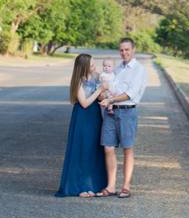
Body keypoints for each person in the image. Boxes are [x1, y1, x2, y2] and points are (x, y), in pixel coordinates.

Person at [98, 37, 148, 198]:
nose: (124, 52)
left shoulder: (139, 70)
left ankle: (126, 186)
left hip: (127, 112)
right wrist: (103, 95)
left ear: (133, 50)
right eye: (121, 50)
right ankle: (111, 186)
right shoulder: (117, 69)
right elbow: (110, 88)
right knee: (108, 147)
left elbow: (130, 94)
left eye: (127, 49)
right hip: (111, 113)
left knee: (127, 148)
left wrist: (111, 99)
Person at [54, 53, 109, 198]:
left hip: (95, 116)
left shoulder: (96, 76)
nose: (94, 66)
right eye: (91, 64)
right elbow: (84, 103)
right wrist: (99, 90)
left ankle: (93, 184)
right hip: (83, 118)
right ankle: (79, 187)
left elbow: (101, 95)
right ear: (84, 66)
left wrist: (104, 94)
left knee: (94, 150)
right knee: (82, 150)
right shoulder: (79, 81)